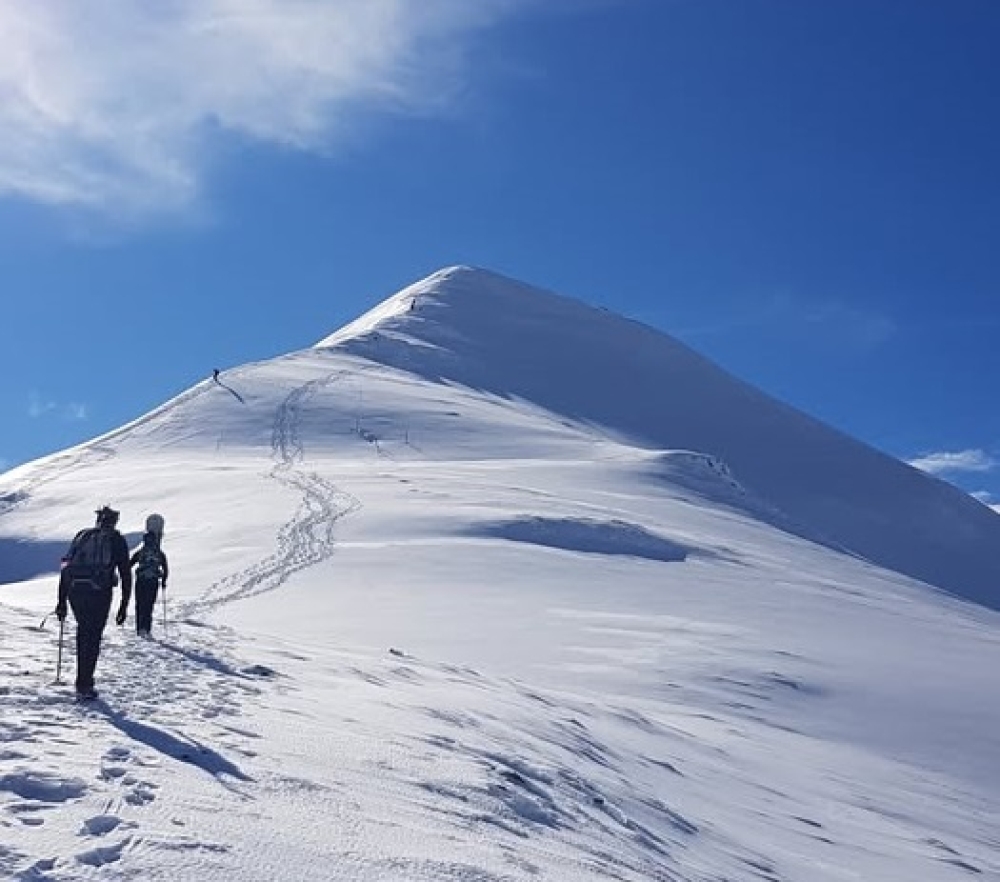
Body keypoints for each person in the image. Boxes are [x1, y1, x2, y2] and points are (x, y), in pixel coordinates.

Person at [54, 506, 132, 700]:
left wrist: (61, 601)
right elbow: (125, 573)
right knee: (94, 634)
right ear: (114, 521)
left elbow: (66, 566)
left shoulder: (82, 536)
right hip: (100, 591)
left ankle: (82, 680)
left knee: (83, 630)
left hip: (75, 590)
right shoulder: (116, 540)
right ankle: (85, 682)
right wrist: (124, 604)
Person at [129, 530, 168, 637]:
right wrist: (163, 581)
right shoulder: (159, 553)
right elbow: (165, 568)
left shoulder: (140, 552)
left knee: (140, 604)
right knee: (149, 605)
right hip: (153, 581)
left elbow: (129, 565)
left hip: (141, 581)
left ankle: (140, 628)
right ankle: (146, 628)